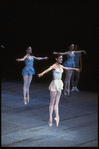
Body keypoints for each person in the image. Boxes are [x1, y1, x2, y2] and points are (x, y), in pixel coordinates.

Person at [38, 54, 79, 127]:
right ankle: (50, 117)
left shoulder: (61, 66)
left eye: (62, 58)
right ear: (56, 58)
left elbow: (67, 68)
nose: (61, 59)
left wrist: (75, 69)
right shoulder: (54, 66)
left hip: (60, 84)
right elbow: (47, 70)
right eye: (60, 58)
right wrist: (42, 73)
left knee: (57, 103)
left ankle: (57, 117)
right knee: (52, 102)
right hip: (54, 84)